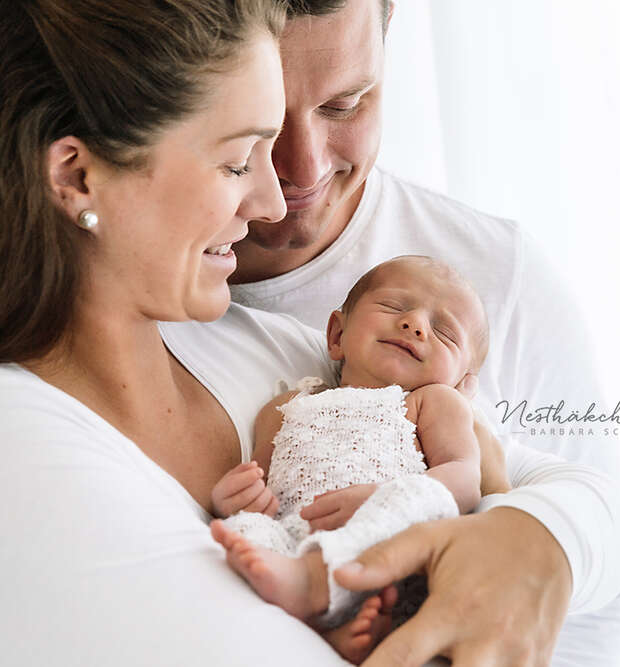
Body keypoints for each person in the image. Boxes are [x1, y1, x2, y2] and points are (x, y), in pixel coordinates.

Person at [0, 1, 619, 666]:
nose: (278, 197)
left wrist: (542, 537)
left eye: (346, 103)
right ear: (77, 178)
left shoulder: (269, 347)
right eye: (239, 159)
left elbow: (571, 488)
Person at [226, 1, 620, 664]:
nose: (302, 169)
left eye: (348, 103)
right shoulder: (156, 304)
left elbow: (607, 575)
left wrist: (542, 540)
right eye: (264, 115)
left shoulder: (497, 277)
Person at [211, 255, 502, 663]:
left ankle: (319, 587)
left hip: (391, 546)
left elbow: (464, 481)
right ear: (337, 334)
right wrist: (236, 498)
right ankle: (322, 624)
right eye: (394, 307)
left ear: (462, 384)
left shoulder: (430, 403)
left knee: (416, 496)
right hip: (297, 535)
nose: (415, 323)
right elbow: (262, 485)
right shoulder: (287, 406)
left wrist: (382, 496)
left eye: (444, 332)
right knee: (246, 528)